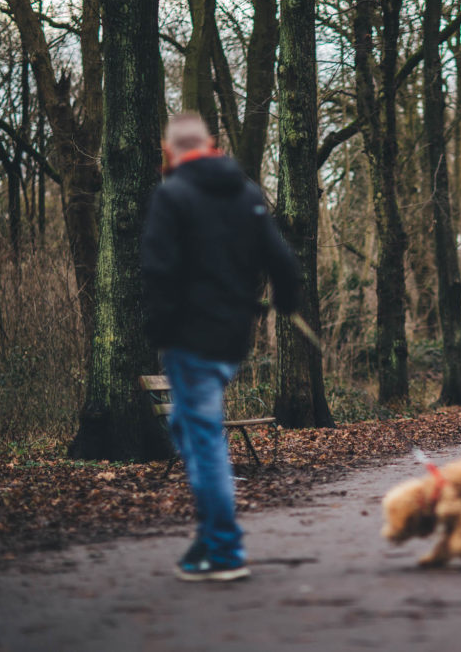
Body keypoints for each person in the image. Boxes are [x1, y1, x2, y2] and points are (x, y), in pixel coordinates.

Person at [141, 112, 301, 582]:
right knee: (188, 427)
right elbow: (283, 262)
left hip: (191, 337)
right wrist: (287, 301)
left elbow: (157, 271)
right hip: (232, 336)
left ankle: (225, 549)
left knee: (202, 437)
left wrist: (162, 333)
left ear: (170, 153)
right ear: (210, 144)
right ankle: (208, 541)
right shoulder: (246, 192)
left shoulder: (172, 195)